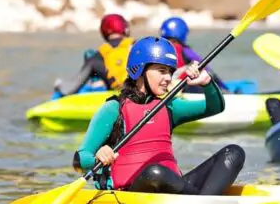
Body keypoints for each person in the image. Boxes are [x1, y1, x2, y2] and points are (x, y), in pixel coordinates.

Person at [72, 36, 245, 195]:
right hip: (133, 194)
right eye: (162, 71)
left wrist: (207, 83)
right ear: (139, 70)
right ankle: (200, 201)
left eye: (170, 71)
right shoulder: (113, 109)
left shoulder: (169, 106)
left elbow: (215, 107)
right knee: (154, 173)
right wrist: (98, 157)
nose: (169, 78)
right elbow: (80, 159)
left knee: (234, 153)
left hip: (175, 189)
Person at [54, 14, 134, 97]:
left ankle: (67, 89)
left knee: (90, 57)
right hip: (136, 88)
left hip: (117, 89)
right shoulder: (135, 44)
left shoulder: (102, 52)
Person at [160, 16, 230, 93]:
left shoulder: (159, 48)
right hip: (184, 88)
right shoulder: (186, 51)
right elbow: (208, 71)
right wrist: (224, 88)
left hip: (169, 86)